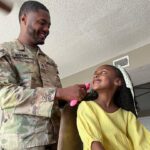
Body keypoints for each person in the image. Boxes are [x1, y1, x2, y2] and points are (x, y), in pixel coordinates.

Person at [0, 1, 87, 150]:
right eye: (42, 23)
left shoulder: (49, 62)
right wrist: (59, 93)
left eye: (49, 25)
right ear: (24, 19)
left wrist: (72, 97)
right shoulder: (6, 52)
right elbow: (4, 95)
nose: (47, 29)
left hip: (57, 141)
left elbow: (56, 102)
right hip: (24, 144)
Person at [77, 64, 150, 150]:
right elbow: (94, 143)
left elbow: (143, 144)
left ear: (118, 82)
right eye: (95, 74)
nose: (96, 75)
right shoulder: (87, 107)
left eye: (103, 72)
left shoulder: (127, 116)